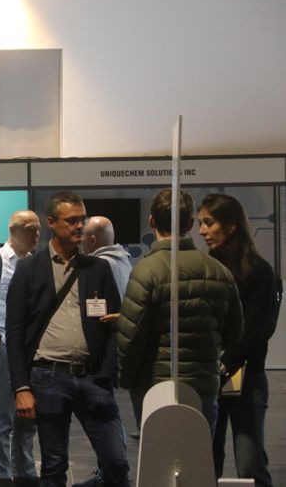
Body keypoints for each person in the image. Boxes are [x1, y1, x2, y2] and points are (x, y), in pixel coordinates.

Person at [7, 191, 129, 487]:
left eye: (82, 219)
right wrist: (22, 387)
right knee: (53, 465)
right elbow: (15, 331)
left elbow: (115, 324)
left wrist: (107, 373)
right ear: (51, 223)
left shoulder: (98, 268)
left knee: (116, 461)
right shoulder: (29, 269)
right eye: (72, 220)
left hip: (93, 378)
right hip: (47, 377)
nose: (80, 226)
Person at [116, 188, 243, 436]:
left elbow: (131, 338)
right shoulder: (218, 271)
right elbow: (234, 334)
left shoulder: (145, 271)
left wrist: (127, 379)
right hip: (204, 386)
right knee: (199, 453)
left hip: (155, 386)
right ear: (191, 223)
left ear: (152, 221)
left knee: (157, 454)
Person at [199, 193, 279, 487]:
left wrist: (227, 362)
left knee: (250, 464)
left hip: (245, 376)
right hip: (211, 377)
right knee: (207, 462)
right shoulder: (206, 268)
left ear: (231, 226)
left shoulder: (260, 271)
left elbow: (259, 328)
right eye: (200, 223)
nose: (202, 231)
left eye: (209, 223)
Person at [0, 210, 41, 487]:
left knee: (26, 415)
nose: (35, 234)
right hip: (4, 344)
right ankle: (2, 475)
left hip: (28, 347)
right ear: (13, 230)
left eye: (38, 228)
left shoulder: (35, 263)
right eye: (29, 228)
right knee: (3, 415)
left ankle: (24, 471)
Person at [82, 216, 133, 297]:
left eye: (82, 236)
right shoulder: (125, 259)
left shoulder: (97, 265)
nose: (79, 241)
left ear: (92, 241)